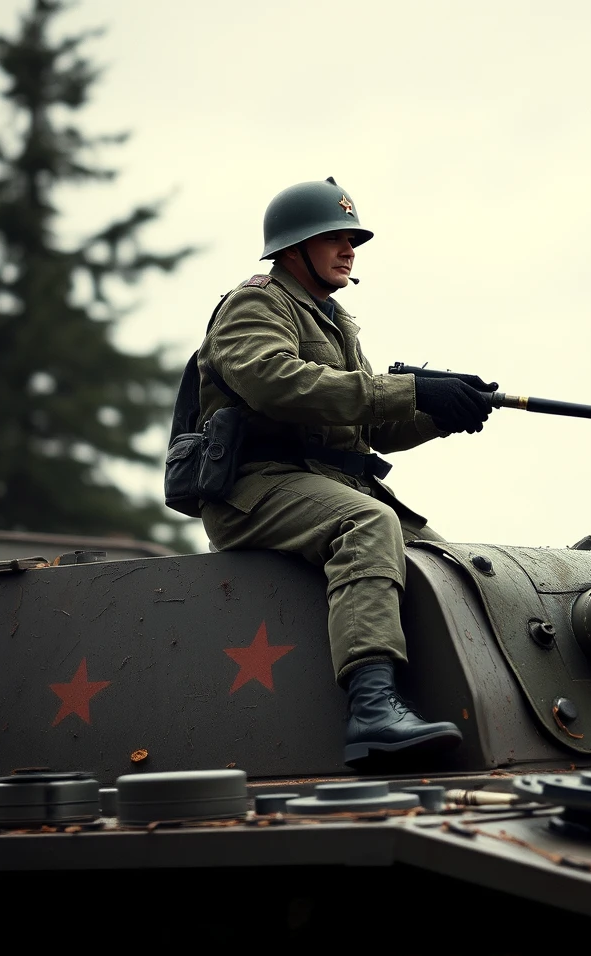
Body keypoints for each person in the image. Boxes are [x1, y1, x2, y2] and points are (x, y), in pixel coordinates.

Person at [196, 177, 493, 768]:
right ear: (291, 248)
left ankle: (457, 709)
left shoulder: (335, 322)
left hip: (326, 482)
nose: (349, 248)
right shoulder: (255, 302)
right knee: (366, 525)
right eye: (332, 237)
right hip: (256, 486)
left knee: (454, 566)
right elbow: (279, 384)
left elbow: (367, 429)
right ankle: (372, 710)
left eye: (352, 238)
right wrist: (409, 387)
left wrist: (439, 412)